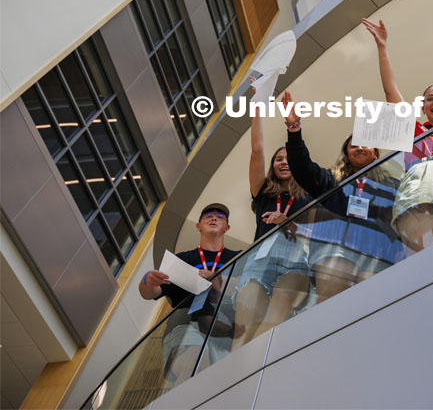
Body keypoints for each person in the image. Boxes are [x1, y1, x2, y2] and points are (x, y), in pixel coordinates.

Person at [362, 18, 433, 252]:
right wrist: (382, 47)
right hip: (418, 193)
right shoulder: (415, 131)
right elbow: (390, 91)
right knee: (422, 256)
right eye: (429, 99)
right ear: (423, 108)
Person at [283, 91, 404, 302]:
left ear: (375, 152)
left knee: (373, 306)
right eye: (353, 145)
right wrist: (294, 129)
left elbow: (402, 218)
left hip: (377, 252)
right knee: (331, 304)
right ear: (346, 152)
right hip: (335, 249)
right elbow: (302, 168)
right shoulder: (331, 180)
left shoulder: (393, 185)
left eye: (364, 144)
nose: (358, 148)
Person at [232, 105, 312, 348]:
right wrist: (257, 110)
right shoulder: (263, 193)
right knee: (243, 331)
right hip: (259, 260)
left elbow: (319, 233)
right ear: (273, 165)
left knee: (273, 321)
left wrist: (287, 222)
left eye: (289, 159)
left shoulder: (309, 195)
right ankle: (234, 379)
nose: (284, 162)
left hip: (295, 259)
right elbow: (256, 151)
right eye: (279, 159)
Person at [138, 204, 240, 382]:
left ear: (227, 228)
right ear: (198, 226)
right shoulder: (182, 259)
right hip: (186, 326)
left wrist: (212, 277)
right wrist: (147, 280)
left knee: (221, 384)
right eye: (208, 215)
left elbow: (246, 286)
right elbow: (150, 293)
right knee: (194, 370)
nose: (214, 218)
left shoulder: (239, 257)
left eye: (220, 217)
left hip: (227, 331)